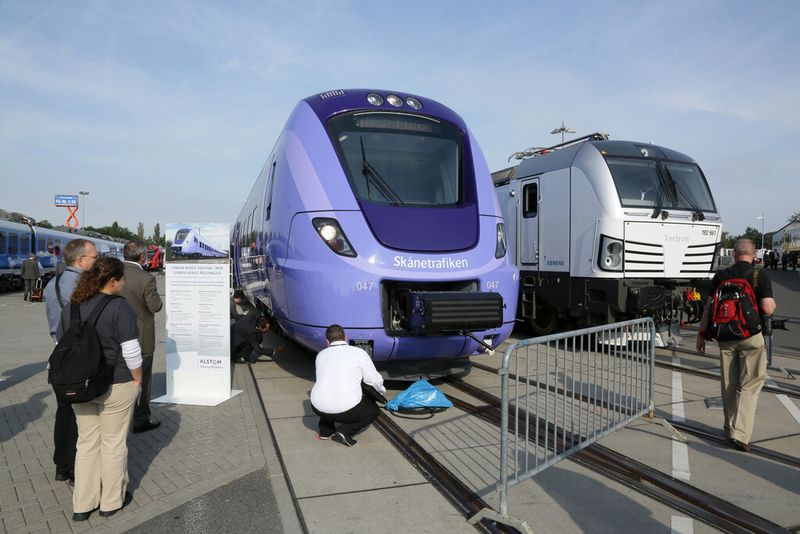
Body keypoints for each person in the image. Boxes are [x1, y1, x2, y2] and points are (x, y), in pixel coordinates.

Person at [57, 257, 142, 521]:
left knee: (87, 444)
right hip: (115, 383)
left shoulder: (72, 306)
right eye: (122, 278)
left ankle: (83, 504)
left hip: (79, 386)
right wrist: (138, 378)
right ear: (113, 280)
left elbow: (61, 343)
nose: (124, 283)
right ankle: (111, 501)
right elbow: (130, 350)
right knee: (113, 443)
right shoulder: (120, 307)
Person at [696, 239, 776, 452]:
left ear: (734, 255)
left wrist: (701, 335)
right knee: (751, 384)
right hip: (751, 337)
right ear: (753, 254)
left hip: (725, 338)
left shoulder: (721, 276)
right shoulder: (760, 274)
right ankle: (740, 434)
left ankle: (729, 428)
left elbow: (708, 308)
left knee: (729, 384)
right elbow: (767, 308)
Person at [43, 239, 98, 483]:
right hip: (83, 356)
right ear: (81, 260)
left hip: (59, 354)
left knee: (64, 411)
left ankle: (61, 465)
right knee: (85, 413)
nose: (96, 262)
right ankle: (78, 467)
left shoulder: (51, 285)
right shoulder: (85, 286)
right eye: (94, 258)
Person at [310, 324, 386, 447]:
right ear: (346, 337)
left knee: (328, 393)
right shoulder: (358, 353)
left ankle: (325, 430)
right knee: (373, 411)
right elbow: (373, 380)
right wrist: (381, 392)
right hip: (346, 411)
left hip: (317, 407)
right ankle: (346, 431)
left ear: (327, 342)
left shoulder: (320, 355)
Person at [119, 240, 163, 434]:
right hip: (141, 338)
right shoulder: (146, 279)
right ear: (143, 257)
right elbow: (155, 306)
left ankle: (120, 416)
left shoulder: (113, 275)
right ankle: (141, 419)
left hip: (116, 336)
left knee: (119, 377)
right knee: (143, 379)